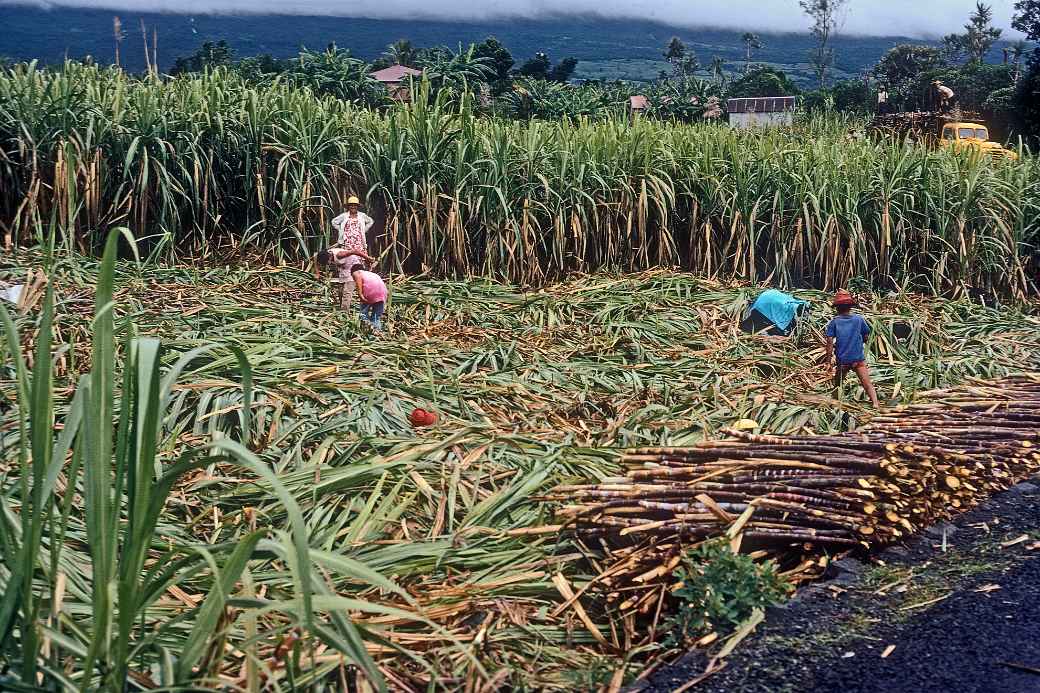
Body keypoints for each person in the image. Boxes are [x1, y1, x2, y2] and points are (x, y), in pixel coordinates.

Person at [825, 289, 880, 408]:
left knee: (838, 383)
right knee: (867, 384)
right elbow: (866, 336)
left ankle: (834, 403)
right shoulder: (859, 319)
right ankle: (875, 403)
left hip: (843, 360)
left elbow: (829, 342)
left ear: (837, 308)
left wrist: (828, 361)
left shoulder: (834, 322)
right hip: (858, 359)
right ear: (850, 306)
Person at [330, 195, 375, 310]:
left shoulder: (362, 216)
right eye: (351, 206)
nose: (353, 207)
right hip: (347, 242)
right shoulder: (344, 216)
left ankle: (358, 282)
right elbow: (333, 222)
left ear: (357, 206)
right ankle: (348, 280)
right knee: (347, 261)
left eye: (355, 205)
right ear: (348, 207)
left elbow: (371, 221)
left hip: (359, 241)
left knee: (359, 262)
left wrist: (363, 230)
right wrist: (341, 230)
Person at [350, 263, 387, 332]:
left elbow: (358, 280)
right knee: (376, 317)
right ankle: (377, 333)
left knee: (363, 314)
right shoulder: (372, 274)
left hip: (371, 292)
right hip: (383, 293)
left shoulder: (356, 272)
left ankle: (365, 330)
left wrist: (360, 294)